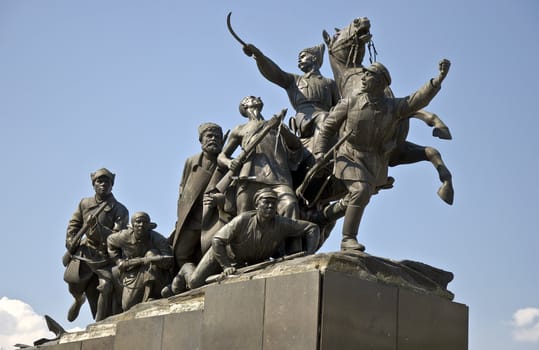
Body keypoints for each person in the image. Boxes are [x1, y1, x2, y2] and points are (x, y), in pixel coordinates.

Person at [314, 59, 451, 252]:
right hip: (349, 154)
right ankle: (348, 239)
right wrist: (320, 151)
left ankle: (329, 217)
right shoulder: (351, 100)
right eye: (364, 74)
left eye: (369, 75)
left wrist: (437, 80)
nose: (363, 78)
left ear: (380, 82)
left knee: (363, 196)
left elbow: (418, 99)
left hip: (373, 158)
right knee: (360, 190)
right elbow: (328, 126)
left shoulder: (393, 107)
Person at [162, 188, 320, 296]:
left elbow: (312, 229)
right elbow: (217, 241)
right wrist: (226, 266)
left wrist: (309, 255)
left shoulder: (282, 224)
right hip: (222, 255)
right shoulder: (243, 220)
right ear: (257, 205)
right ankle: (185, 269)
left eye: (273, 202)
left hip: (247, 262)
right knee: (195, 282)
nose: (270, 205)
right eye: (266, 202)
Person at [242, 43, 340, 154]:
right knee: (324, 117)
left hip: (326, 117)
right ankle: (318, 154)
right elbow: (274, 73)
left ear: (314, 58)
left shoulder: (330, 83)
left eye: (303, 56)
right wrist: (258, 55)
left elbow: (338, 106)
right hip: (305, 119)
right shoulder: (294, 80)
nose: (299, 59)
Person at [217, 96, 303, 220]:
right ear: (244, 106)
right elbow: (221, 156)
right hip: (249, 178)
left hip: (278, 179)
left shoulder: (277, 124)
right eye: (250, 98)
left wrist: (282, 129)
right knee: (243, 219)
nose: (257, 98)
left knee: (290, 204)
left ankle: (293, 239)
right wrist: (229, 163)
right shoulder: (240, 129)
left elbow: (296, 146)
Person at [63, 168, 128, 322]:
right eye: (99, 181)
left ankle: (99, 323)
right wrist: (71, 240)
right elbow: (74, 224)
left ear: (112, 185)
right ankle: (79, 300)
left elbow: (117, 237)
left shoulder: (120, 210)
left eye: (107, 181)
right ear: (93, 184)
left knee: (104, 289)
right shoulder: (84, 203)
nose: (103, 184)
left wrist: (97, 228)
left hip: (105, 258)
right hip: (85, 253)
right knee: (74, 284)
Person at [169, 123, 226, 271]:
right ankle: (187, 277)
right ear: (201, 140)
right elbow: (183, 189)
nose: (213, 139)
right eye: (209, 136)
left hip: (215, 216)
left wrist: (219, 199)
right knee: (181, 252)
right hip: (192, 216)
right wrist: (180, 215)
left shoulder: (227, 163)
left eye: (217, 137)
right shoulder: (192, 161)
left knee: (210, 250)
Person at [108, 212, 173, 311]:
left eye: (145, 222)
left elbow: (169, 259)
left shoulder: (157, 238)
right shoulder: (124, 236)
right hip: (133, 272)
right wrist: (118, 261)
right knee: (127, 306)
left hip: (156, 274)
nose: (141, 225)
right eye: (138, 222)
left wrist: (154, 259)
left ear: (149, 225)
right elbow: (110, 241)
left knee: (152, 253)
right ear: (133, 224)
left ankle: (149, 297)